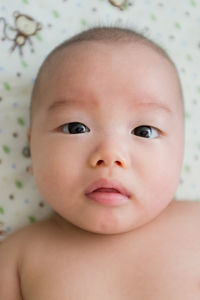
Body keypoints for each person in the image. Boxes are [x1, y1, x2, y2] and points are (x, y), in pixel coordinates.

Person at [1, 26, 200, 299]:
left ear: (182, 149)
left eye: (144, 131)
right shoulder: (17, 257)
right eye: (75, 127)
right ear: (32, 148)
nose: (110, 155)